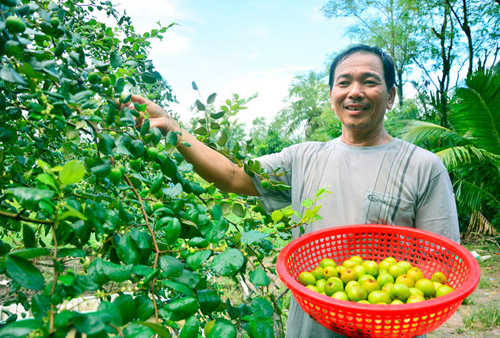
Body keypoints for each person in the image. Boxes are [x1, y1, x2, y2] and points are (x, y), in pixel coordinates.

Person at [131, 44, 460, 338]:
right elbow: (232, 176)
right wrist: (173, 128)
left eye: (369, 81)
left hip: (388, 331)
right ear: (332, 96)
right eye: (343, 82)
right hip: (309, 328)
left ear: (390, 95)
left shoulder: (423, 167)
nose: (354, 91)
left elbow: (441, 267)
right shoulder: (302, 158)